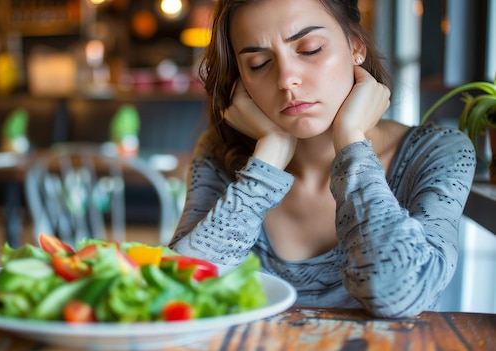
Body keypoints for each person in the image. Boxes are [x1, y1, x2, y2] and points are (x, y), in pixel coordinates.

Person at [168, 0, 477, 318]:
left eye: (310, 48)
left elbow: (396, 293)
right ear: (241, 81)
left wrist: (352, 143)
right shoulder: (223, 153)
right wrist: (267, 162)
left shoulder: (437, 153)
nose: (286, 79)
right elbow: (175, 290)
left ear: (355, 45)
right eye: (259, 63)